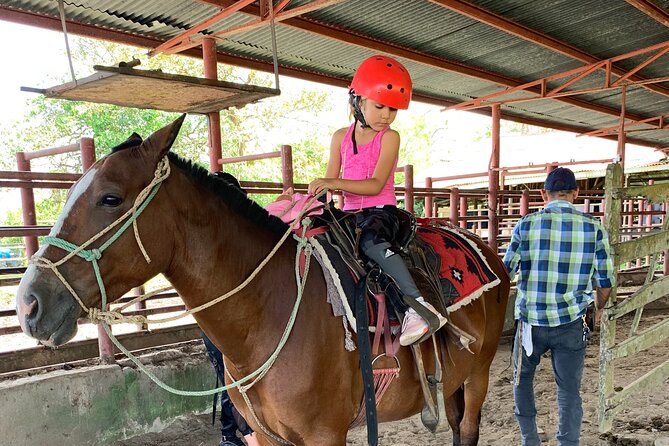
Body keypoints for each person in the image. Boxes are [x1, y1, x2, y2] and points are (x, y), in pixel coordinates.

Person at [307, 55, 447, 346]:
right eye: (379, 106)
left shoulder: (390, 137)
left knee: (371, 242)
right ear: (358, 101)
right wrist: (307, 197)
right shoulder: (339, 138)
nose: (386, 115)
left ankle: (419, 306)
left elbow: (375, 185)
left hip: (379, 211)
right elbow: (330, 181)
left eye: (392, 109)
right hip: (349, 215)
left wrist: (332, 182)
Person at [502, 167, 615, 446]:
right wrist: (598, 310)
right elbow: (605, 282)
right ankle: (568, 442)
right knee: (568, 390)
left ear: (544, 194)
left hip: (530, 321)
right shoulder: (593, 228)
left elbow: (505, 272)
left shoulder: (526, 225)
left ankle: (530, 440)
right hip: (570, 322)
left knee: (522, 381)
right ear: (575, 193)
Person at [201, 332, 260, 446]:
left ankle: (229, 435)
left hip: (240, 334)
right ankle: (249, 440)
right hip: (220, 337)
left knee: (233, 388)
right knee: (234, 389)